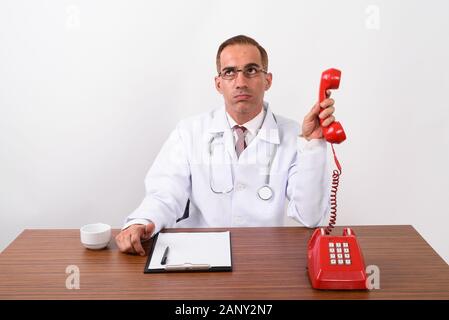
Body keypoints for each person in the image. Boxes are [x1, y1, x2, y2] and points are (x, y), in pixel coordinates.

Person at [116, 35, 337, 255]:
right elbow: (164, 194)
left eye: (251, 70)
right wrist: (141, 222)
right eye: (230, 72)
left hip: (264, 257)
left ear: (267, 80)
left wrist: (313, 144)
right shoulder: (189, 131)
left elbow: (310, 216)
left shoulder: (294, 135)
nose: (241, 82)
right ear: (218, 83)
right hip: (200, 256)